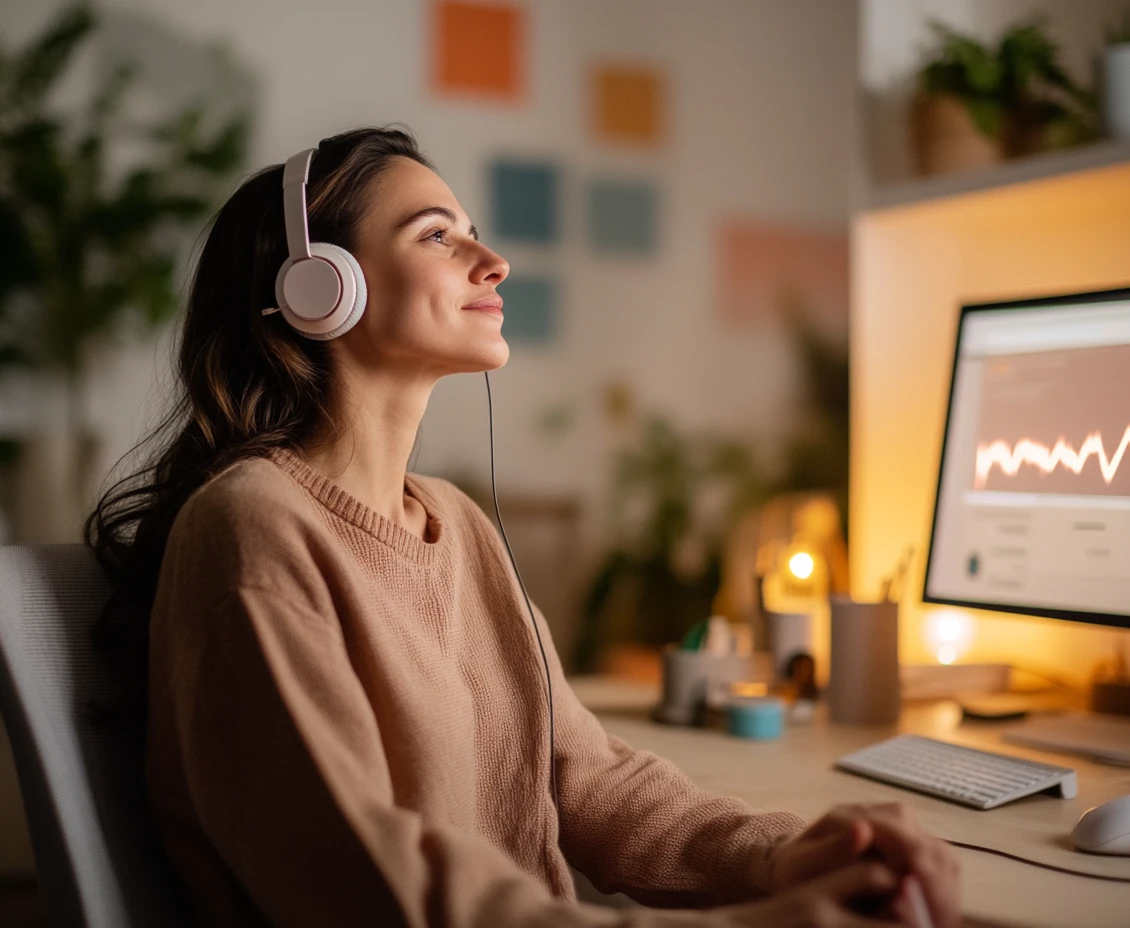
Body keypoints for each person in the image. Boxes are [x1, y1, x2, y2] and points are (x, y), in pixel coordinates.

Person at [87, 126, 960, 928]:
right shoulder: (252, 529)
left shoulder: (458, 525)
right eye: (437, 236)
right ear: (320, 288)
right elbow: (368, 885)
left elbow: (594, 780)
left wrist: (781, 857)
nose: (494, 262)